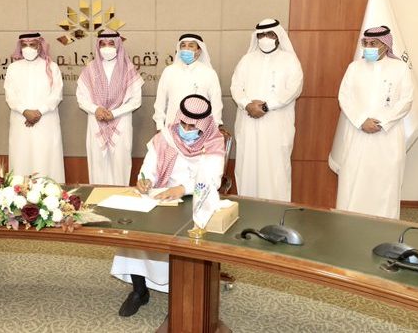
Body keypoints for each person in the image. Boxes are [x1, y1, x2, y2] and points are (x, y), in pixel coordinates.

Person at [111, 94, 225, 316]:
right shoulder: (165, 137)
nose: (185, 129)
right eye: (183, 123)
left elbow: (212, 179)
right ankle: (139, 291)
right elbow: (149, 167)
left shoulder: (213, 142)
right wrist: (145, 180)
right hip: (162, 196)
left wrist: (182, 189)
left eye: (192, 126)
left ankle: (183, 294)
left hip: (196, 199)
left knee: (184, 240)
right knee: (136, 230)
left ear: (204, 125)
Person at [334, 26, 413, 219]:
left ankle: (385, 225)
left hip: (387, 135)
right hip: (357, 132)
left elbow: (406, 100)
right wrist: (362, 120)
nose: (368, 47)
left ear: (385, 45)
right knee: (354, 180)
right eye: (366, 43)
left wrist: (382, 122)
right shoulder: (354, 68)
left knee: (385, 183)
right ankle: (350, 223)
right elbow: (344, 97)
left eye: (373, 43)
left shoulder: (400, 68)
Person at [230, 19, 303, 202]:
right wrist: (247, 104)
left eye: (270, 34)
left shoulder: (289, 60)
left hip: (276, 126)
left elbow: (293, 89)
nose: (265, 38)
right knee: (248, 167)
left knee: (275, 170)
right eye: (261, 35)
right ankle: (248, 209)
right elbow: (236, 87)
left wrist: (266, 106)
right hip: (248, 123)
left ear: (278, 36)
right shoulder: (247, 60)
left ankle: (276, 212)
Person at [76, 31, 143, 185]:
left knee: (120, 163)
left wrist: (115, 113)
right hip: (96, 121)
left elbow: (136, 100)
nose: (106, 48)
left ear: (118, 45)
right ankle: (97, 196)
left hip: (121, 122)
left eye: (111, 44)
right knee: (97, 163)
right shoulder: (90, 69)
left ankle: (120, 197)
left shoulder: (128, 69)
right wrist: (96, 109)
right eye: (103, 44)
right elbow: (81, 97)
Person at [4, 33, 64, 182]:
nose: (28, 48)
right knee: (21, 159)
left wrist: (39, 112)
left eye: (32, 45)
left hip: (46, 121)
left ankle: (51, 193)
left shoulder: (51, 67)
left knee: (46, 159)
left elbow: (57, 94)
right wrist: (25, 111)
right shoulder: (13, 68)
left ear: (39, 46)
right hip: (21, 121)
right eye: (24, 45)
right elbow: (10, 95)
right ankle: (19, 192)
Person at [153, 33, 224, 131]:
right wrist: (160, 126)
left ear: (199, 50)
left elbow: (216, 105)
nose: (186, 49)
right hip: (171, 129)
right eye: (183, 46)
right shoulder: (169, 71)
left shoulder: (209, 73)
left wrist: (214, 128)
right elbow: (160, 103)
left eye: (191, 46)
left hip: (199, 130)